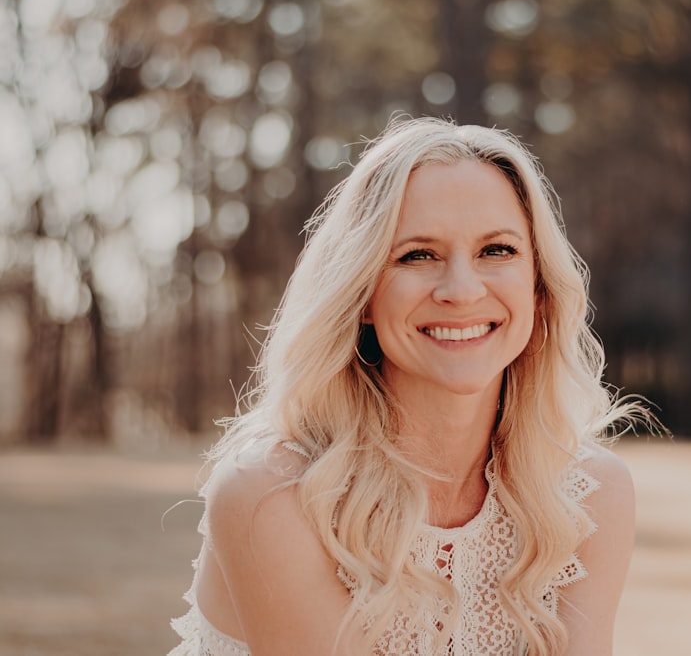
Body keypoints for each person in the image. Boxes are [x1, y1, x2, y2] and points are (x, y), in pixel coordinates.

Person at [168, 116, 648, 656]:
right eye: (418, 255)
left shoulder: (589, 495)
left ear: (538, 289)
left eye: (497, 251)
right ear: (364, 295)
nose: (461, 290)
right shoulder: (271, 494)